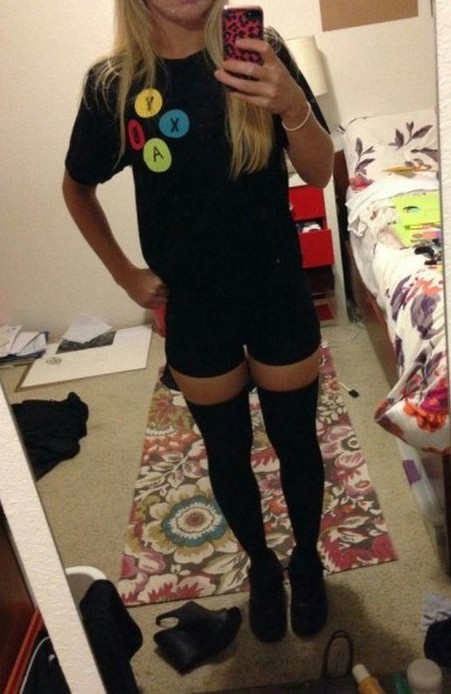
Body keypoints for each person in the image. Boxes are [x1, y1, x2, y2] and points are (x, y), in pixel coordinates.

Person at [63, 0, 334, 643]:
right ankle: (262, 566)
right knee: (226, 451)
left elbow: (321, 171)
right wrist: (125, 275)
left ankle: (306, 561)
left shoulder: (259, 51)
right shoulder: (116, 84)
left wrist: (292, 103)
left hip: (275, 287)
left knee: (297, 442)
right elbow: (77, 187)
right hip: (195, 306)